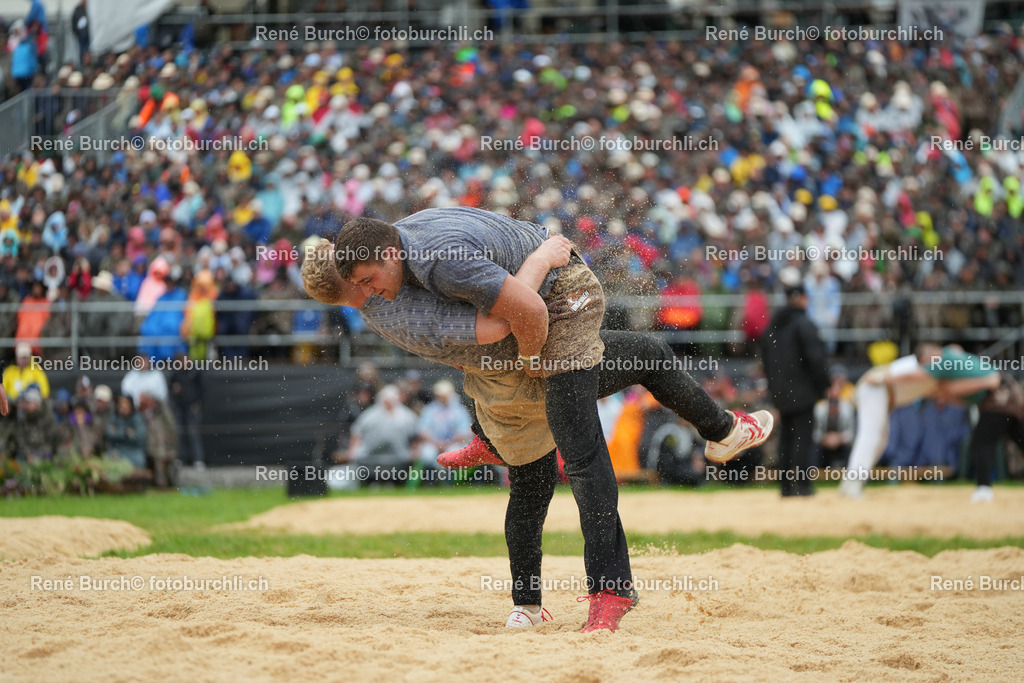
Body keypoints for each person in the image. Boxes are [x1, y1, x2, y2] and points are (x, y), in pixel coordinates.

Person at [308, 224, 771, 631]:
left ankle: (526, 603)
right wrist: (541, 258)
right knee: (585, 454)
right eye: (359, 288)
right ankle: (610, 589)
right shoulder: (396, 296)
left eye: (366, 282)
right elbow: (516, 315)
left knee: (538, 473)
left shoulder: (408, 254)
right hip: (525, 346)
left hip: (502, 368)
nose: (367, 295)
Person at [839, 344, 1000, 499]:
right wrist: (881, 377)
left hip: (884, 394)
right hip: (876, 387)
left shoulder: (942, 366)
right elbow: (914, 375)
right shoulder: (932, 365)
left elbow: (945, 383)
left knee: (880, 439)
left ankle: (852, 484)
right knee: (871, 437)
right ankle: (853, 484)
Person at [760, 280, 830, 497]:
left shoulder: (772, 326)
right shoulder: (803, 324)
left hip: (780, 393)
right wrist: (824, 385)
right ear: (801, 298)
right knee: (802, 439)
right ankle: (803, 486)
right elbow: (816, 359)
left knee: (787, 439)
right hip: (803, 392)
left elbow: (765, 361)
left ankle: (786, 488)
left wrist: (774, 389)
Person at [345, 384, 418, 486]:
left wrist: (415, 451)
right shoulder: (369, 415)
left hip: (399, 457)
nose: (388, 402)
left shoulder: (406, 416)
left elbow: (416, 436)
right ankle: (371, 482)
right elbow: (356, 433)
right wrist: (353, 449)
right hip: (369, 456)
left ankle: (392, 482)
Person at [416, 379, 473, 483]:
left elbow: (464, 432)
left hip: (453, 444)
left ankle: (449, 482)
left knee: (452, 453)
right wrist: (436, 443)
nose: (441, 397)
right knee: (427, 454)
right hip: (433, 444)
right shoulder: (430, 409)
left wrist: (447, 443)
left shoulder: (459, 410)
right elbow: (423, 431)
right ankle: (431, 482)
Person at [813, 368, 855, 470]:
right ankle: (812, 473)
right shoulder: (819, 409)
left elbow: (852, 433)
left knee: (849, 449)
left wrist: (839, 438)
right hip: (823, 444)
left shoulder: (847, 409)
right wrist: (825, 438)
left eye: (836, 401)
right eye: (831, 401)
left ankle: (851, 472)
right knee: (814, 449)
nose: (833, 404)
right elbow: (813, 433)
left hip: (841, 444)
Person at [105, 394, 147, 469]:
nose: (123, 407)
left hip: (133, 450)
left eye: (125, 404)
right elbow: (109, 434)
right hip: (117, 449)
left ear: (131, 406)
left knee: (139, 461)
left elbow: (139, 436)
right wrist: (126, 432)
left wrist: (118, 431)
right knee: (108, 460)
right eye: (121, 404)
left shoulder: (137, 417)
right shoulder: (114, 417)